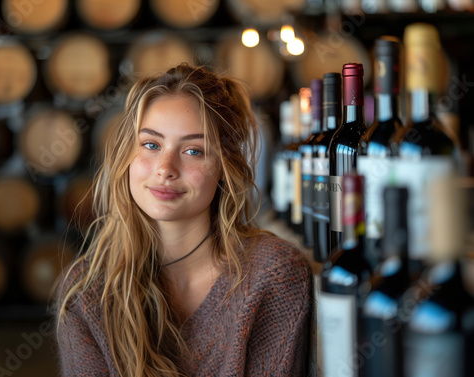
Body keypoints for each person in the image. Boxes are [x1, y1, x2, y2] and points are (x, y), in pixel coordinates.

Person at [54, 63, 312, 377]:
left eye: (193, 150)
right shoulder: (87, 292)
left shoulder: (272, 275)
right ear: (126, 156)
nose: (165, 167)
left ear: (224, 168)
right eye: (151, 145)